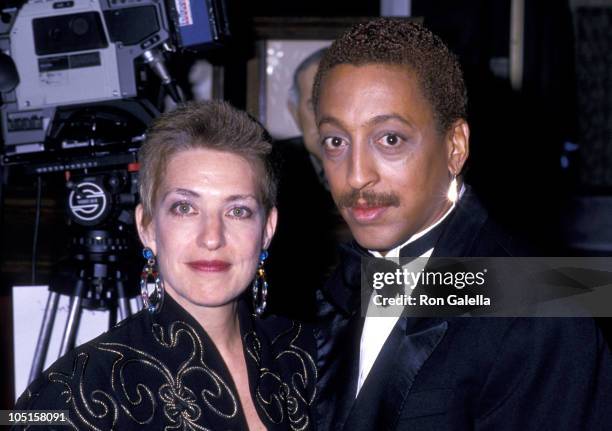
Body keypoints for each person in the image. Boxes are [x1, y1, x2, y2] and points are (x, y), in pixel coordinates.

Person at [312, 18, 612, 430]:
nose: (357, 174)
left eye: (390, 139)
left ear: (455, 147)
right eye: (336, 142)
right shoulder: (333, 288)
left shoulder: (542, 310)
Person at [13, 101, 317, 430]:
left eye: (238, 211)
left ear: (267, 230)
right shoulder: (74, 392)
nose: (212, 238)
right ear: (147, 226)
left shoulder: (308, 356)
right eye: (185, 208)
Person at [266, 48, 348, 321]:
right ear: (294, 111)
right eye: (316, 104)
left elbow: (471, 287)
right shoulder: (265, 173)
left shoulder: (410, 168)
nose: (329, 119)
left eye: (341, 101)